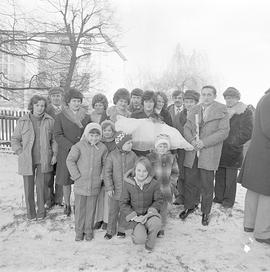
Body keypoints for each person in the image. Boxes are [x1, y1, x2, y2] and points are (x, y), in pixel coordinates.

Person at [179, 85, 229, 226]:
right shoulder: (195, 109)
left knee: (207, 184)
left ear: (214, 96)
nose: (206, 97)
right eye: (204, 94)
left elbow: (223, 132)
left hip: (209, 151)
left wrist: (204, 142)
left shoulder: (221, 109)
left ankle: (205, 211)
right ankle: (190, 206)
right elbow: (187, 128)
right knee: (190, 181)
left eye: (209, 94)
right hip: (193, 150)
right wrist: (193, 141)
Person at [11, 95, 57, 220]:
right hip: (27, 159)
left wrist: (54, 154)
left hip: (44, 159)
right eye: (37, 105)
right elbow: (15, 139)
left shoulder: (50, 121)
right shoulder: (23, 121)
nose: (40, 108)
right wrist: (20, 152)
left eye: (42, 105)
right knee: (28, 187)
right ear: (32, 106)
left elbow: (54, 140)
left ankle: (41, 212)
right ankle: (31, 214)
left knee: (42, 187)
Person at [238, 89, 270, 245]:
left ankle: (250, 225)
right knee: (267, 192)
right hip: (266, 154)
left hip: (260, 153)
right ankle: (263, 232)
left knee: (256, 190)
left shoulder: (265, 98)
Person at [66, 123, 108, 241]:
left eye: (97, 136)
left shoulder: (103, 148)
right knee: (80, 209)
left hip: (94, 184)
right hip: (81, 183)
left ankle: (88, 230)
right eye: (91, 135)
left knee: (91, 209)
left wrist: (102, 176)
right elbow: (70, 160)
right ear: (86, 134)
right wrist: (76, 176)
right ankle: (79, 231)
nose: (94, 138)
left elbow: (106, 164)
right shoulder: (78, 146)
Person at [54, 88, 91, 216]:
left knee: (79, 179)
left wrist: (82, 145)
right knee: (66, 180)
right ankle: (67, 204)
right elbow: (58, 135)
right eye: (74, 101)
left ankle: (77, 203)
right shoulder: (60, 116)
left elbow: (90, 132)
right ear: (68, 102)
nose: (76, 103)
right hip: (66, 152)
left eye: (78, 101)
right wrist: (71, 147)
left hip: (82, 153)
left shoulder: (86, 117)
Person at [214, 87, 253, 210]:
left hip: (233, 151)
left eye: (232, 97)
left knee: (230, 178)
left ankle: (228, 201)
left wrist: (233, 142)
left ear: (237, 98)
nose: (229, 100)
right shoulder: (223, 111)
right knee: (219, 175)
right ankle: (218, 198)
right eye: (227, 98)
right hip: (220, 148)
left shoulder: (245, 112)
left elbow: (248, 132)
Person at [120, 157, 163, 252]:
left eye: (144, 171)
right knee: (140, 239)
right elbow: (123, 203)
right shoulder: (128, 184)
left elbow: (158, 200)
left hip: (149, 215)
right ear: (135, 170)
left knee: (156, 223)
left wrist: (150, 212)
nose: (141, 173)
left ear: (149, 172)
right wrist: (135, 217)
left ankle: (150, 241)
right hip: (136, 216)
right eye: (139, 170)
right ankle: (139, 231)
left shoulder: (154, 184)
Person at [104, 132, 137, 239]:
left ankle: (121, 229)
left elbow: (136, 171)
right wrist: (109, 188)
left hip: (127, 191)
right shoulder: (112, 156)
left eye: (131, 143)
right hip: (114, 191)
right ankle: (110, 230)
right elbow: (107, 173)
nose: (130, 145)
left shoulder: (133, 155)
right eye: (128, 143)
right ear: (120, 144)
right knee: (113, 212)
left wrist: (134, 184)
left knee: (124, 211)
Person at [147, 134, 179, 237]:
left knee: (163, 209)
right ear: (156, 146)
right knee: (152, 207)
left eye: (165, 146)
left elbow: (175, 173)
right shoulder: (150, 158)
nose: (162, 149)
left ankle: (161, 227)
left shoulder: (171, 158)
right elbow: (146, 170)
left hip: (165, 188)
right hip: (152, 188)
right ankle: (151, 226)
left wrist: (172, 185)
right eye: (160, 146)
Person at [174, 90, 200, 205]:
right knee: (181, 172)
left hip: (193, 149)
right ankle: (181, 196)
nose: (189, 104)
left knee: (192, 175)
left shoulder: (199, 115)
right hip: (181, 148)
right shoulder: (179, 116)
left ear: (196, 102)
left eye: (191, 102)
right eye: (187, 101)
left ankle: (193, 199)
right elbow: (175, 131)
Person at [94, 120, 117, 231]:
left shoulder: (115, 143)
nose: (107, 132)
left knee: (108, 197)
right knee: (99, 197)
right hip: (98, 172)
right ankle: (99, 219)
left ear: (113, 131)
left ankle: (107, 220)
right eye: (105, 130)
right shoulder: (98, 141)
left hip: (110, 172)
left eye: (109, 130)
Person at [46, 87, 65, 208]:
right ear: (50, 97)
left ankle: (59, 199)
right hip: (49, 145)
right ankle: (49, 199)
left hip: (62, 146)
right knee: (48, 175)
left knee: (61, 174)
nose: (56, 98)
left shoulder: (66, 110)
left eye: (58, 95)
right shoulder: (46, 110)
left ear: (61, 97)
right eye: (53, 96)